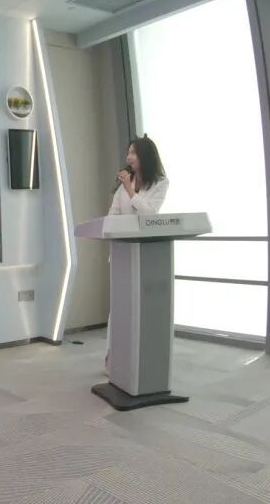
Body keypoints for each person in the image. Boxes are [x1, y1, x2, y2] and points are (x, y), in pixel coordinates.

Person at [105, 135, 169, 374]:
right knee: (118, 307)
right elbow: (112, 214)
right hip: (122, 251)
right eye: (128, 152)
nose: (128, 157)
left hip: (146, 254)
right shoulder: (124, 182)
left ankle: (142, 356)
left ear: (145, 156)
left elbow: (150, 214)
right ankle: (113, 355)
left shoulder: (160, 182)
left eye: (133, 152)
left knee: (141, 308)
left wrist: (130, 191)